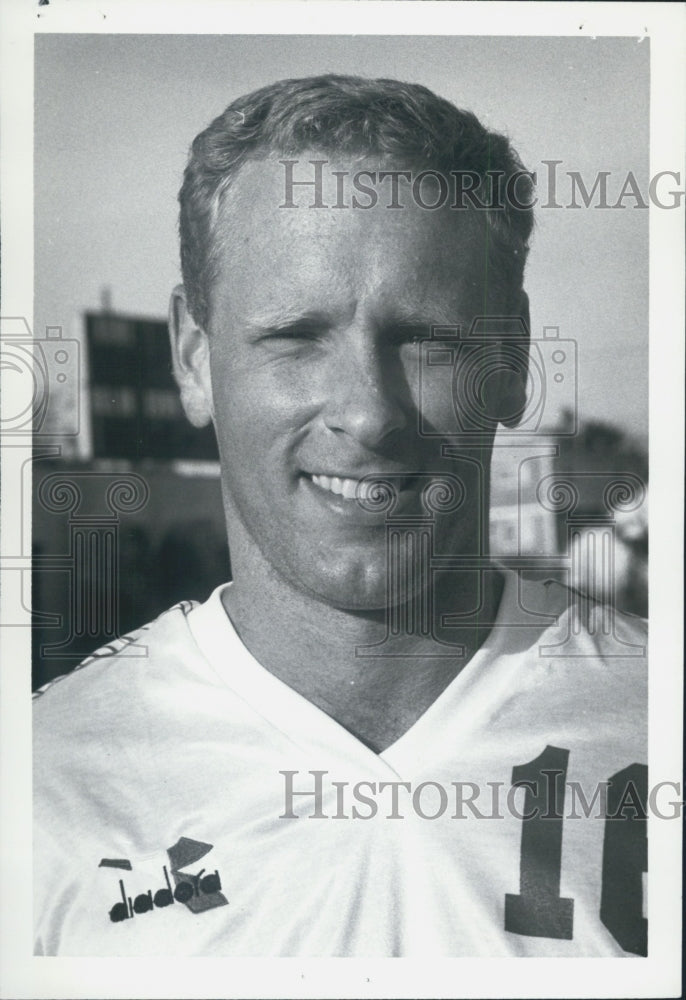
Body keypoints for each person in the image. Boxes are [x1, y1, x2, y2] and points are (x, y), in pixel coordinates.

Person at [33, 75, 647, 957]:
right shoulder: (45, 785)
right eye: (294, 336)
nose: (368, 414)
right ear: (194, 358)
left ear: (513, 358)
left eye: (426, 338)